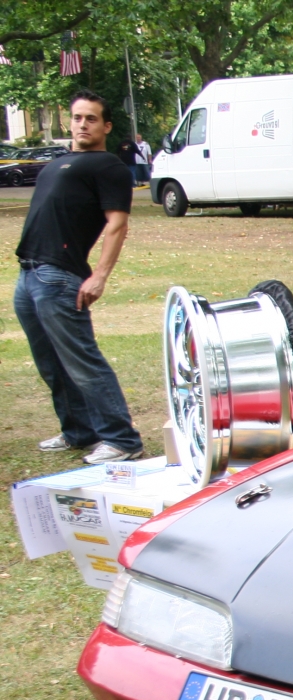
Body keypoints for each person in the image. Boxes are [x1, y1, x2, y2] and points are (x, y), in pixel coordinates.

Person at [14, 91, 143, 464]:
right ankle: (79, 431)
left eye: (91, 118)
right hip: (29, 273)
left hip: (60, 277)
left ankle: (122, 439)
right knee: (50, 362)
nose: (82, 124)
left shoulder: (109, 167)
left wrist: (100, 276)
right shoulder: (60, 162)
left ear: (106, 126)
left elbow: (117, 224)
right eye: (76, 118)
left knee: (82, 361)